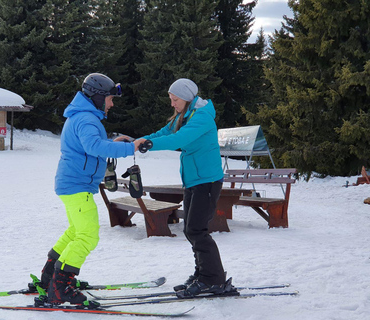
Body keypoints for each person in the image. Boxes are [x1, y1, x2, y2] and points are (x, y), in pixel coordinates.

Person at [37, 73, 143, 306]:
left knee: (76, 232)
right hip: (76, 186)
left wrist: (115, 145)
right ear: (97, 97)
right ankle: (60, 286)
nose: (111, 104)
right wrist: (130, 148)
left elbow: (90, 147)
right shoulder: (86, 118)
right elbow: (93, 146)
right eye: (109, 99)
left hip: (73, 183)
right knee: (88, 235)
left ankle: (49, 277)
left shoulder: (82, 116)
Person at [134, 78, 236, 298]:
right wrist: (139, 140)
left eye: (175, 99)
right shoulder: (185, 115)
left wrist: (149, 145)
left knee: (196, 230)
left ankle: (213, 280)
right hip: (193, 181)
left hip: (207, 182)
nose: (172, 103)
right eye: (171, 99)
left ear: (187, 97)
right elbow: (164, 133)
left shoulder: (202, 118)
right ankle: (203, 274)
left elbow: (178, 139)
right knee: (191, 229)